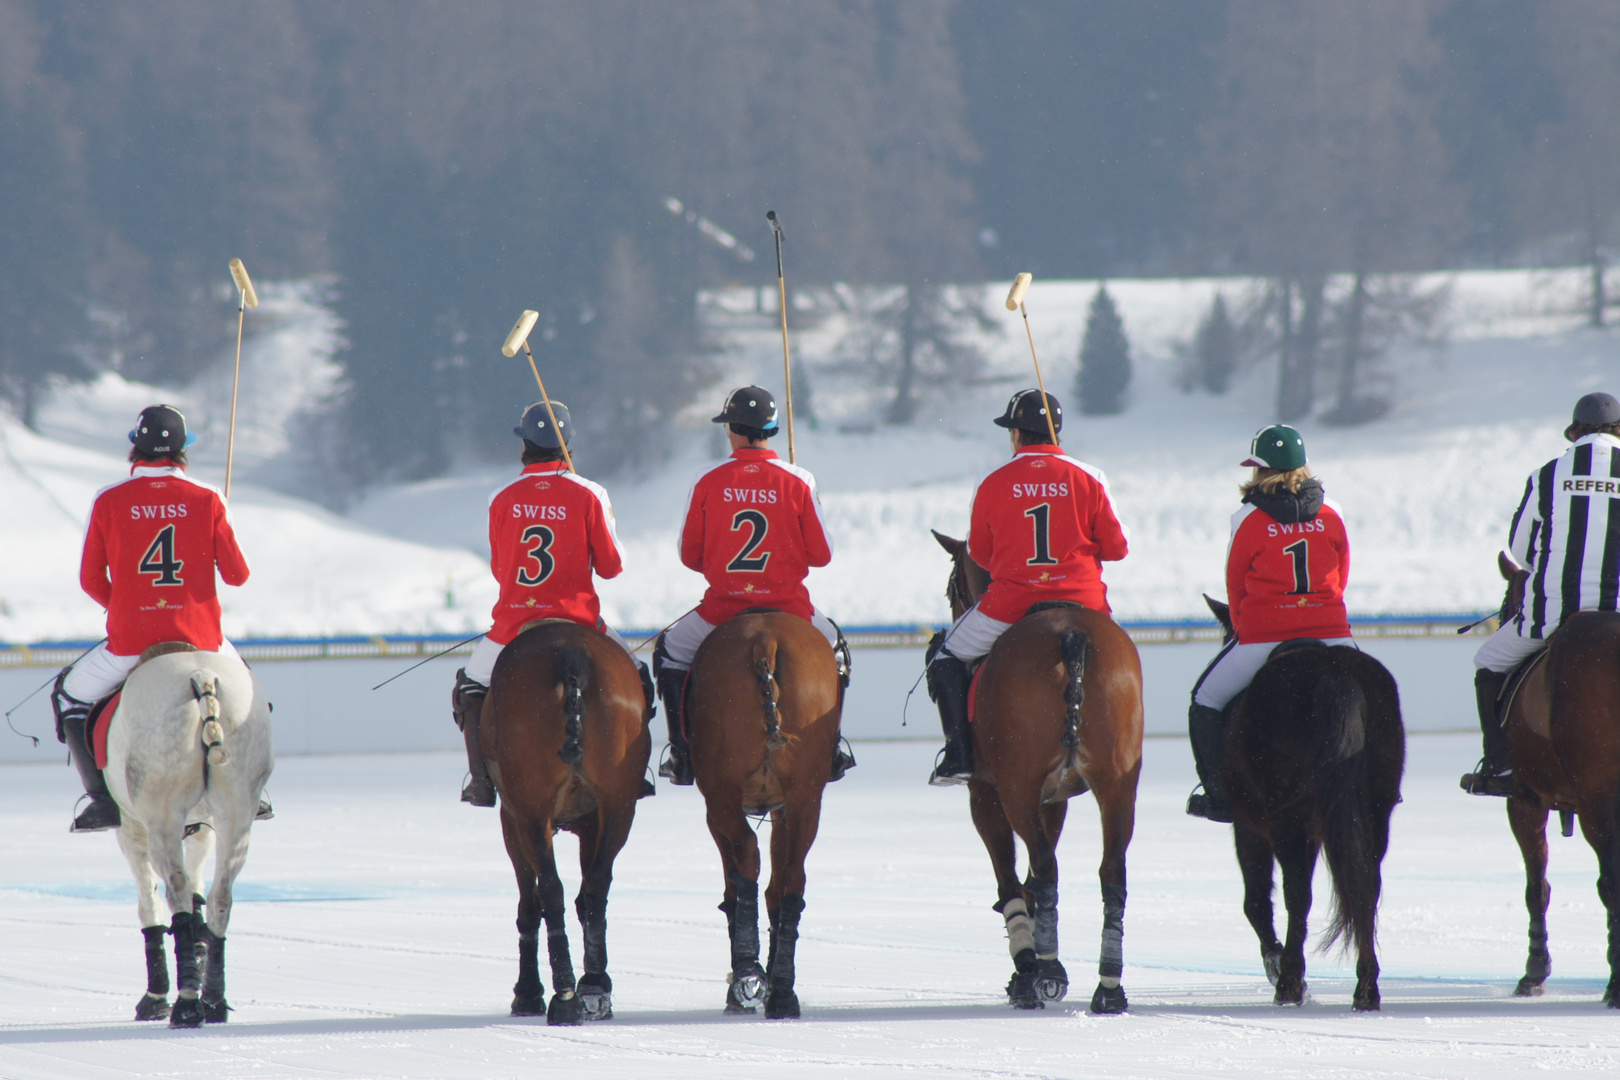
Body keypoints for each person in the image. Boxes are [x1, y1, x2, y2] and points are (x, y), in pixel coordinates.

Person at [53, 405, 254, 832]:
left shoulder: (109, 499)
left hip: (132, 643)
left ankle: (102, 802)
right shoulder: (208, 498)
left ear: (135, 448)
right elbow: (238, 576)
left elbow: (91, 579)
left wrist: (126, 606)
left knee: (69, 694)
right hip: (202, 641)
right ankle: (251, 790)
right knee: (247, 694)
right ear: (183, 450)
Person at [451, 400, 652, 806]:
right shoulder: (590, 492)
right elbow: (613, 567)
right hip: (581, 623)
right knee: (638, 677)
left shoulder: (502, 497)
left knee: (471, 687)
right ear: (568, 444)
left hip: (514, 626)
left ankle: (481, 781)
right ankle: (634, 768)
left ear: (524, 444)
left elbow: (500, 568)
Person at [926, 389, 1129, 786]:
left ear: (1018, 433)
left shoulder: (991, 481)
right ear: (1057, 434)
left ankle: (960, 755)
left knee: (945, 656)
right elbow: (1117, 549)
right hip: (1086, 606)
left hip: (1013, 605)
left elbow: (980, 555)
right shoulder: (1092, 477)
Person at [654, 385, 851, 785]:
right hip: (791, 609)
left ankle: (681, 752)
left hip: (722, 611)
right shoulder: (799, 479)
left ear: (734, 430)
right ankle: (830, 747)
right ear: (771, 430)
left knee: (670, 652)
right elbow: (823, 555)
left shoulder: (707, 478)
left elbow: (689, 555)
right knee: (838, 654)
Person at [1185, 425, 1353, 822]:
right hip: (1331, 634)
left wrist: (1246, 626)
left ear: (1260, 471)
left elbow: (1235, 582)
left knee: (1204, 702)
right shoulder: (1333, 512)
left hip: (1265, 636)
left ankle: (1219, 795)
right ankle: (1377, 783)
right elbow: (1342, 575)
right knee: (1374, 697)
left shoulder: (1247, 516)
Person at [1461, 390, 1620, 797]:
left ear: (1576, 433)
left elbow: (1519, 552)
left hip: (1551, 615)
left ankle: (1499, 764)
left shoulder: (1547, 475)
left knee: (1488, 663)